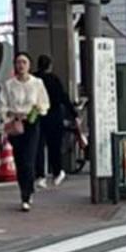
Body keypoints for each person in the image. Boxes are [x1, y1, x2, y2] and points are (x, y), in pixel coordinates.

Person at [1, 52, 51, 212]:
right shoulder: (8, 85)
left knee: (29, 159)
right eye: (18, 62)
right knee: (19, 160)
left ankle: (26, 194)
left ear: (29, 65)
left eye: (24, 62)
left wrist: (36, 111)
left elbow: (44, 104)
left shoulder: (37, 83)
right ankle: (24, 188)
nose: (21, 65)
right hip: (15, 124)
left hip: (31, 123)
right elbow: (1, 105)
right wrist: (9, 114)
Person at [34, 53, 72, 189]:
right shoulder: (53, 79)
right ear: (50, 66)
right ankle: (57, 172)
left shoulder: (34, 79)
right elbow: (63, 97)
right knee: (54, 146)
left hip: (37, 116)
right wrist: (73, 113)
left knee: (38, 146)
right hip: (54, 116)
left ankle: (40, 176)